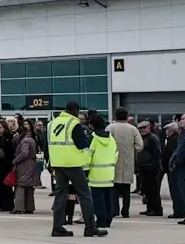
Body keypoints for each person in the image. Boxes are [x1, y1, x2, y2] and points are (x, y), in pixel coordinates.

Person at [48, 101, 106, 237]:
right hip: (72, 163)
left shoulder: (52, 123)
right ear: (74, 110)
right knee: (84, 193)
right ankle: (90, 227)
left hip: (57, 163)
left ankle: (57, 227)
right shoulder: (74, 124)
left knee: (60, 194)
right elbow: (81, 144)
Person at [108, 107, 143, 220]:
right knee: (126, 189)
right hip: (128, 161)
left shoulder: (110, 127)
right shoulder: (133, 129)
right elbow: (140, 145)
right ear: (126, 116)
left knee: (114, 187)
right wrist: (132, 150)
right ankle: (126, 211)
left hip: (114, 160)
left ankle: (114, 210)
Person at [85, 114, 117, 228]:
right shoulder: (111, 138)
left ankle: (101, 220)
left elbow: (87, 155)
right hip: (109, 172)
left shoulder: (93, 138)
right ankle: (109, 218)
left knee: (98, 199)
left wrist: (85, 169)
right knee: (108, 197)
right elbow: (116, 154)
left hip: (96, 173)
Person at [137, 120, 164, 217]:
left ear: (149, 128)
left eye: (145, 128)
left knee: (153, 190)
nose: (142, 130)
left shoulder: (152, 138)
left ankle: (157, 210)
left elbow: (157, 153)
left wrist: (152, 165)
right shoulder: (143, 138)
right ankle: (149, 208)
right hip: (144, 167)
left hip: (152, 169)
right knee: (147, 190)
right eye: (141, 128)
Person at [12, 119, 40, 214]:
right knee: (29, 187)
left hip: (24, 165)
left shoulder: (25, 141)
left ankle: (18, 208)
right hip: (31, 164)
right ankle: (29, 207)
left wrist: (15, 161)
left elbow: (24, 153)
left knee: (21, 185)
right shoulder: (31, 139)